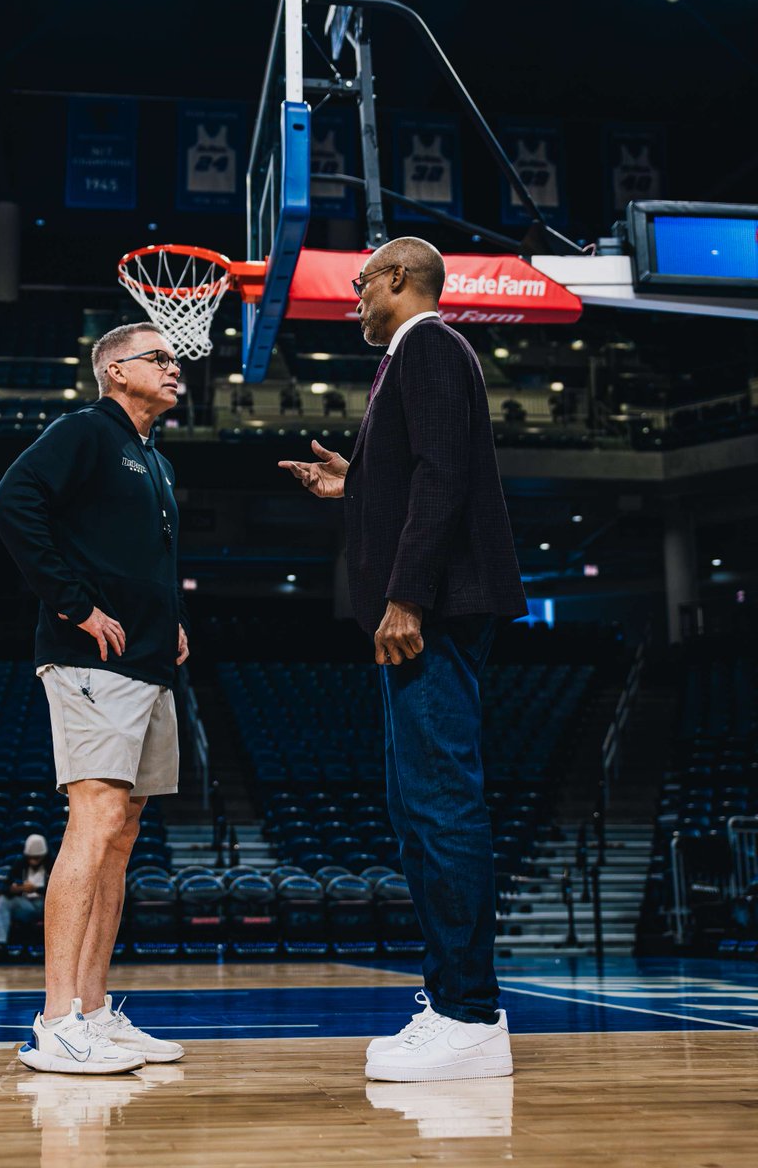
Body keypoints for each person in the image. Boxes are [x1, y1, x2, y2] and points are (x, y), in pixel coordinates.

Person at [279, 237, 527, 1083]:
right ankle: (454, 1002)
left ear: (397, 280)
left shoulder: (428, 345)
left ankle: (470, 1012)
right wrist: (356, 481)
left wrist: (407, 594)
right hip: (431, 605)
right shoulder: (414, 356)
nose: (352, 296)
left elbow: (445, 476)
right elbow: (421, 471)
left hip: (437, 610)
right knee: (415, 802)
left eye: (359, 283)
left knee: (440, 800)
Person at [0, 322, 189, 1075]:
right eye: (158, 358)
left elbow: (142, 562)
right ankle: (55, 1019)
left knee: (124, 829)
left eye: (175, 358)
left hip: (147, 661)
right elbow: (13, 504)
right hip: (90, 660)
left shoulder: (153, 461)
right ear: (114, 371)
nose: (175, 368)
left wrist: (172, 624)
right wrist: (74, 604)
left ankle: (97, 1014)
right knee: (96, 815)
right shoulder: (83, 431)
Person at [0, 833, 54, 952]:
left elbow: (59, 891)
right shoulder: (20, 863)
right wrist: (16, 889)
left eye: (37, 858)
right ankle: (0, 944)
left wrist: (36, 889)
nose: (33, 861)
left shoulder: (52, 864)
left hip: (46, 905)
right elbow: (5, 887)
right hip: (25, 903)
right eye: (31, 857)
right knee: (2, 900)